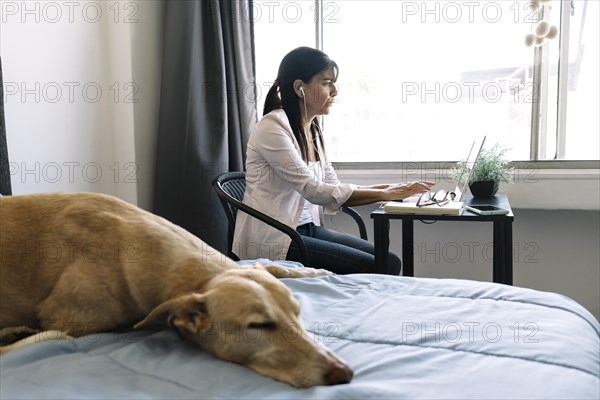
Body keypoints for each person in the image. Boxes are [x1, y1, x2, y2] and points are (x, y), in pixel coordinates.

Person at [232, 47, 434, 275]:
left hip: (308, 230)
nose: (335, 91)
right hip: (278, 238)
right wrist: (387, 194)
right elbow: (313, 190)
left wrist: (390, 188)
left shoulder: (313, 129)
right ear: (300, 87)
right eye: (327, 83)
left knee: (390, 260)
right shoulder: (273, 127)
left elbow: (332, 185)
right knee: (381, 265)